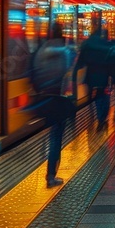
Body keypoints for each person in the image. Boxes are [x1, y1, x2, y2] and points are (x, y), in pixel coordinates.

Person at [28, 22, 76, 188]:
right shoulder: (65, 51)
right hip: (58, 98)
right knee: (56, 137)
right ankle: (51, 175)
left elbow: (32, 73)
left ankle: (49, 173)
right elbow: (67, 72)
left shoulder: (40, 50)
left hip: (43, 97)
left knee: (51, 136)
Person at [77, 26, 113, 131]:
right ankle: (102, 118)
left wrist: (75, 76)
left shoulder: (87, 44)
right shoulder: (107, 45)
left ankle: (97, 118)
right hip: (104, 75)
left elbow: (81, 61)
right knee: (104, 96)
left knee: (95, 98)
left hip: (90, 76)